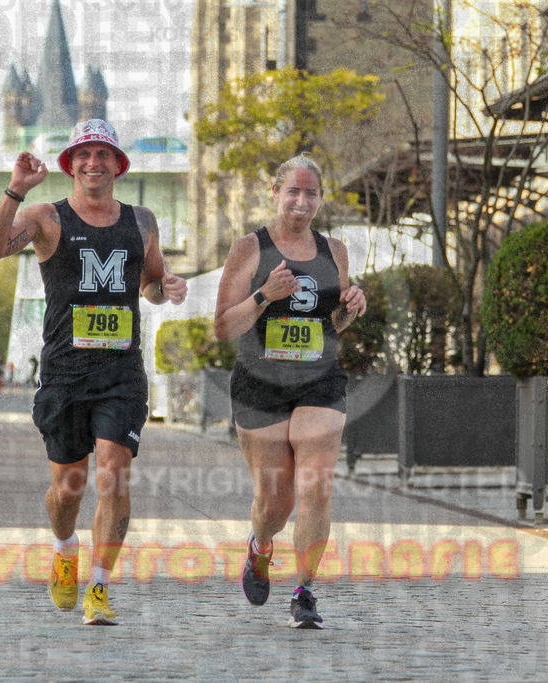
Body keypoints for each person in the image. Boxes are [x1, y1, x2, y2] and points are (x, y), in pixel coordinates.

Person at [0, 118, 187, 625]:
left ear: (118, 164)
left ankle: (99, 585)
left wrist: (168, 288)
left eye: (104, 154)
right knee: (67, 489)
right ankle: (65, 548)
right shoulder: (46, 216)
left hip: (121, 374)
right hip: (66, 374)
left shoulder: (142, 221)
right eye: (84, 155)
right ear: (71, 164)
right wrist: (14, 190)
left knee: (114, 476)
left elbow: (150, 284)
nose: (94, 163)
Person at [214, 153, 367, 629]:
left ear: (321, 199)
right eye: (293, 192)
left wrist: (351, 307)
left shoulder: (334, 250)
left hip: (319, 380)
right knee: (274, 503)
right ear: (276, 194)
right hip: (261, 384)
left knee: (317, 485)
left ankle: (304, 593)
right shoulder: (250, 249)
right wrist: (263, 297)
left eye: (311, 193)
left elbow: (333, 323)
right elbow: (222, 327)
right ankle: (261, 545)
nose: (301, 201)